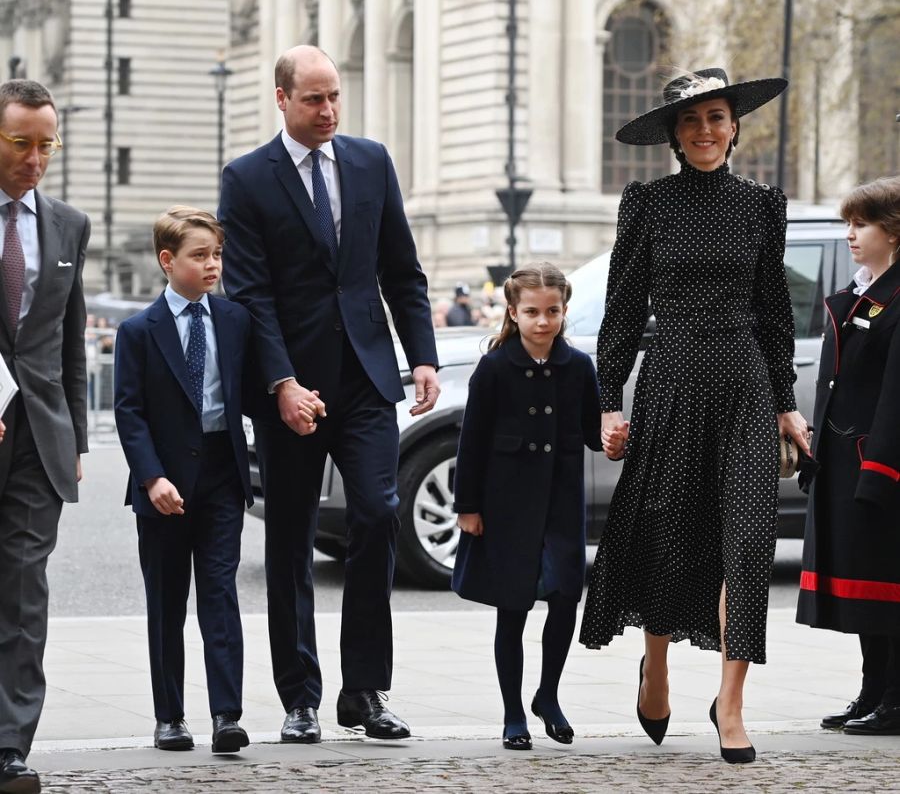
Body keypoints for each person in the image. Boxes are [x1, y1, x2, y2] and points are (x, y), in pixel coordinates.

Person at [577, 68, 810, 764]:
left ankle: (731, 704)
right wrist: (608, 403)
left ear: (735, 125)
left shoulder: (761, 206)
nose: (704, 131)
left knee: (745, 544)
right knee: (667, 535)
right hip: (673, 381)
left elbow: (774, 316)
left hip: (743, 387)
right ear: (673, 136)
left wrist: (786, 407)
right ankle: (657, 668)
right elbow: (620, 313)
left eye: (715, 117)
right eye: (690, 121)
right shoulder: (648, 206)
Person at [219, 45, 439, 743]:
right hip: (290, 386)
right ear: (281, 99)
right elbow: (249, 292)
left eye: (335, 96)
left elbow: (402, 269)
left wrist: (424, 357)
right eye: (313, 99)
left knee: (376, 514)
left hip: (368, 377)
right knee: (289, 541)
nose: (328, 111)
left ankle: (365, 691)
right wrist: (281, 383)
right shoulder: (248, 179)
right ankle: (301, 697)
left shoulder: (371, 162)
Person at [113, 207, 253, 754]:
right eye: (200, 255)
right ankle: (169, 717)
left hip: (221, 473)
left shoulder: (235, 319)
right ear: (168, 261)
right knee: (167, 603)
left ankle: (226, 716)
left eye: (217, 254)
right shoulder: (137, 332)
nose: (213, 264)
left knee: (220, 594)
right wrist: (151, 479)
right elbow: (130, 412)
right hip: (163, 483)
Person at [452, 262, 601, 750]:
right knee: (512, 608)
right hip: (506, 505)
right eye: (532, 312)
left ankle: (548, 696)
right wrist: (468, 507)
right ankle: (513, 712)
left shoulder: (578, 366)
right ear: (513, 313)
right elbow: (471, 442)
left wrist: (615, 438)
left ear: (563, 310)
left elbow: (593, 431)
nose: (543, 321)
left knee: (564, 600)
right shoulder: (495, 367)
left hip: (561, 503)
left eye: (553, 311)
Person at [0, 79, 90, 794]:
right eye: (20, 143)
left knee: (25, 591)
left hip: (40, 439)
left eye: (46, 145)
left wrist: (79, 440)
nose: (35, 159)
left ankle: (10, 746)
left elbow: (67, 345)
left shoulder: (68, 226)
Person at [796, 176, 900, 735]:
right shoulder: (862, 295)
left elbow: (896, 399)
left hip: (880, 466)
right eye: (848, 224)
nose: (851, 235)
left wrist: (881, 470)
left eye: (862, 224)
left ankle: (897, 700)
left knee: (889, 584)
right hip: (843, 461)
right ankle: (873, 690)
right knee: (866, 585)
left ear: (896, 230)